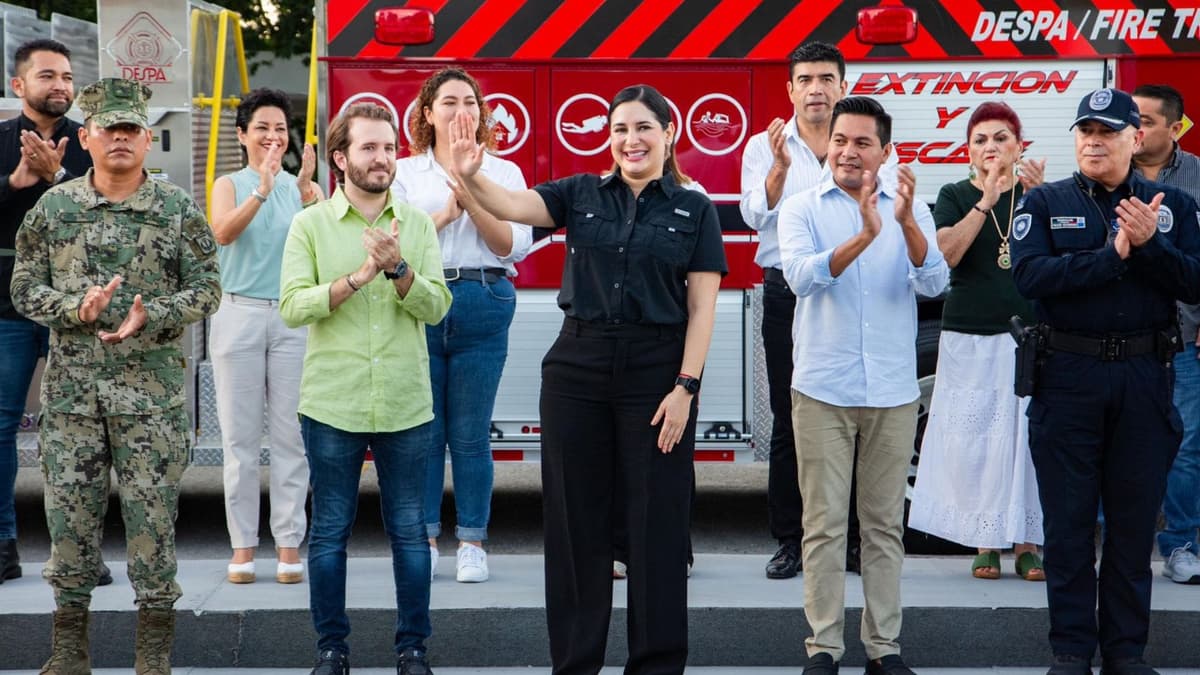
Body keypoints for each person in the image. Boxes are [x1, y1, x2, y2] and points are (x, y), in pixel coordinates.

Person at [448, 84, 726, 675]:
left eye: (644, 127)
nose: (632, 139)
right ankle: (575, 664)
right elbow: (513, 206)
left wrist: (686, 388)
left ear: (668, 132)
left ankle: (655, 665)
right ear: (610, 136)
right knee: (577, 526)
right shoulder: (579, 194)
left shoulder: (694, 208)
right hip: (578, 366)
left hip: (657, 373)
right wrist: (470, 176)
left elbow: (703, 308)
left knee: (657, 525)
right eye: (621, 128)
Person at [10, 77, 221, 674]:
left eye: (131, 131)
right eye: (110, 130)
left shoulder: (177, 209)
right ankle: (69, 655)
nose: (121, 140)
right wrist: (74, 310)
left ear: (148, 140)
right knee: (69, 530)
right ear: (87, 138)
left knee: (153, 532)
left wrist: (152, 315)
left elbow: (208, 289)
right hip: (74, 402)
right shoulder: (54, 209)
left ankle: (152, 662)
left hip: (150, 405)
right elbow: (23, 286)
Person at [1011, 88, 1200, 675]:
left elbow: (1194, 282)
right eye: (1085, 131)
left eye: (1108, 131)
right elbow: (1031, 277)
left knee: (1132, 521)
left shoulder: (1174, 205)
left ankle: (1125, 651)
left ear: (1134, 139)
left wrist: (1148, 248)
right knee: (1068, 524)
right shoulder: (1044, 204)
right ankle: (1070, 649)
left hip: (1145, 376)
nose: (1094, 141)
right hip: (1068, 376)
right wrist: (1112, 256)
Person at [778, 96, 949, 675]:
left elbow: (933, 281)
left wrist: (901, 226)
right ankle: (823, 648)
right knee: (823, 526)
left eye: (862, 143)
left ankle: (885, 649)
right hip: (823, 389)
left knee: (882, 527)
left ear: (884, 150)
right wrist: (862, 237)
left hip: (894, 392)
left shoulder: (912, 207)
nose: (848, 152)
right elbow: (800, 277)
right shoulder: (802, 206)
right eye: (841, 141)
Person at [279, 102, 450, 675]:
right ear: (340, 158)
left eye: (388, 147)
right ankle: (332, 651)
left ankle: (413, 651)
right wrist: (356, 278)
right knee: (329, 533)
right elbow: (292, 306)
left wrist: (400, 268)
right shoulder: (310, 225)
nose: (382, 158)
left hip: (405, 402)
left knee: (410, 533)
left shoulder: (418, 224)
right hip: (332, 403)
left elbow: (437, 306)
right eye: (369, 147)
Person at [391, 67, 532, 584]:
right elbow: (396, 242)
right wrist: (449, 214)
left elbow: (510, 245)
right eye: (448, 103)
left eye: (469, 103)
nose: (460, 113)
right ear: (428, 114)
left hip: (483, 296)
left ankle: (471, 541)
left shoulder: (505, 172)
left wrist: (473, 190)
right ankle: (425, 538)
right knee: (424, 433)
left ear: (482, 112)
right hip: (420, 297)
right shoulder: (406, 173)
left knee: (471, 435)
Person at [739, 42, 867, 580]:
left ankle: (856, 540)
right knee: (792, 419)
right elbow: (751, 216)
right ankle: (790, 540)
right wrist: (777, 171)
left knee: (856, 415)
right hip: (785, 293)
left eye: (826, 79)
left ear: (843, 86)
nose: (816, 88)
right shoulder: (762, 147)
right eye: (805, 79)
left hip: (849, 291)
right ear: (789, 89)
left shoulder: (865, 142)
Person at [908, 102, 1047, 581]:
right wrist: (985, 200)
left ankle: (1029, 543)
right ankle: (986, 540)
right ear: (968, 150)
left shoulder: (1039, 195)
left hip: (1028, 336)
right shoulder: (952, 194)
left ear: (1019, 146)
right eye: (981, 140)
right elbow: (944, 254)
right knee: (979, 440)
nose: (992, 147)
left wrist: (1040, 194)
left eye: (1001, 138)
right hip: (969, 336)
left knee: (1026, 439)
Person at [0, 38, 113, 589]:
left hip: (79, 310)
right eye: (47, 76)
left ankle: (82, 551)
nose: (61, 85)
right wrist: (15, 182)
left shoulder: (89, 143)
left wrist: (60, 178)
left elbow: (111, 215)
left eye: (67, 76)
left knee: (83, 429)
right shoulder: (0, 142)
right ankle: (3, 544)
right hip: (8, 307)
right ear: (18, 85)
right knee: (1, 426)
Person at [209, 88, 324, 585]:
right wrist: (262, 187)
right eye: (263, 128)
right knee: (238, 441)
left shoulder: (303, 189)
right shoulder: (229, 184)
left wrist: (308, 197)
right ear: (243, 135)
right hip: (237, 315)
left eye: (281, 129)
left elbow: (320, 248)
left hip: (292, 319)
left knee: (290, 439)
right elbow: (223, 233)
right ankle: (241, 547)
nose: (274, 137)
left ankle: (288, 545)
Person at [1130, 84, 1200, 586]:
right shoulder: (1110, 172)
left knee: (1187, 442)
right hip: (1129, 336)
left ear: (1175, 128)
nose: (1135, 129)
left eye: (1147, 121)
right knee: (1122, 440)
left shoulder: (1197, 175)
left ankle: (1181, 544)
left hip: (1187, 336)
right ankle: (1122, 548)